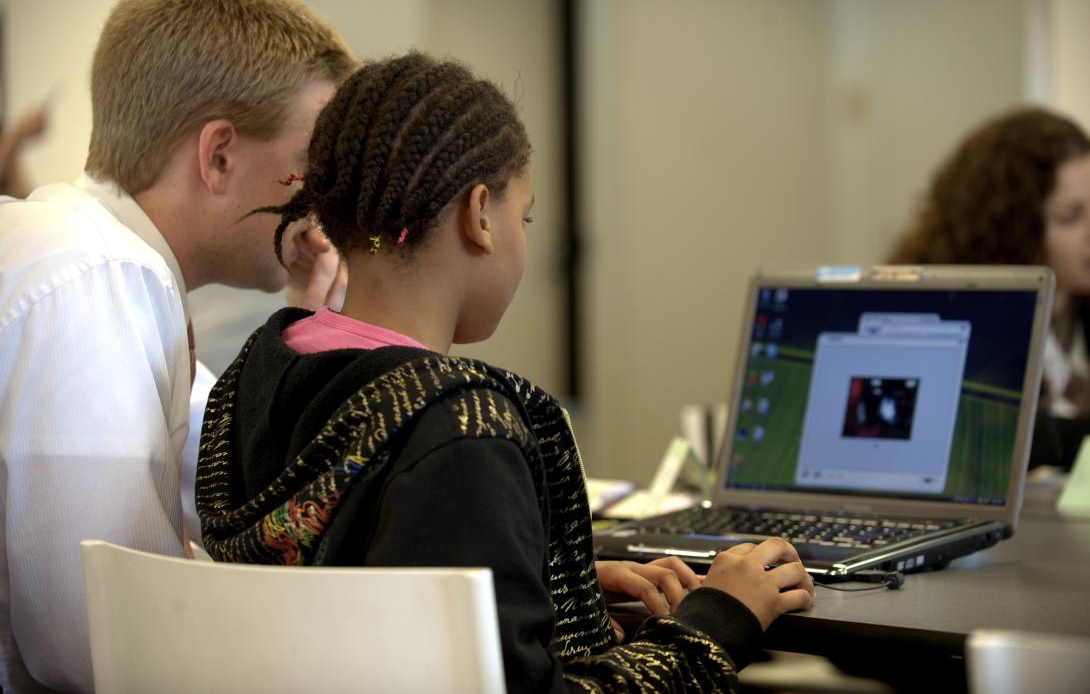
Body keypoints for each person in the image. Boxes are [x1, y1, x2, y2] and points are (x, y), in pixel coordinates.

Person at [195, 51, 814, 693]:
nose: (520, 235)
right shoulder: (459, 432)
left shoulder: (253, 377)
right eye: (525, 216)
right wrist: (719, 620)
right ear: (479, 215)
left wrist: (532, 573)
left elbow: (363, 577)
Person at [0, 0, 354, 691]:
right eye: (309, 166)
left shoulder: (107, 262)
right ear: (218, 155)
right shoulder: (93, 279)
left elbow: (240, 487)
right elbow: (102, 642)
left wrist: (307, 336)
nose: (324, 201)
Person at [888, 107, 1090, 470]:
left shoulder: (1076, 296)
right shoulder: (952, 317)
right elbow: (1019, 438)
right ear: (1013, 228)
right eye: (1071, 217)